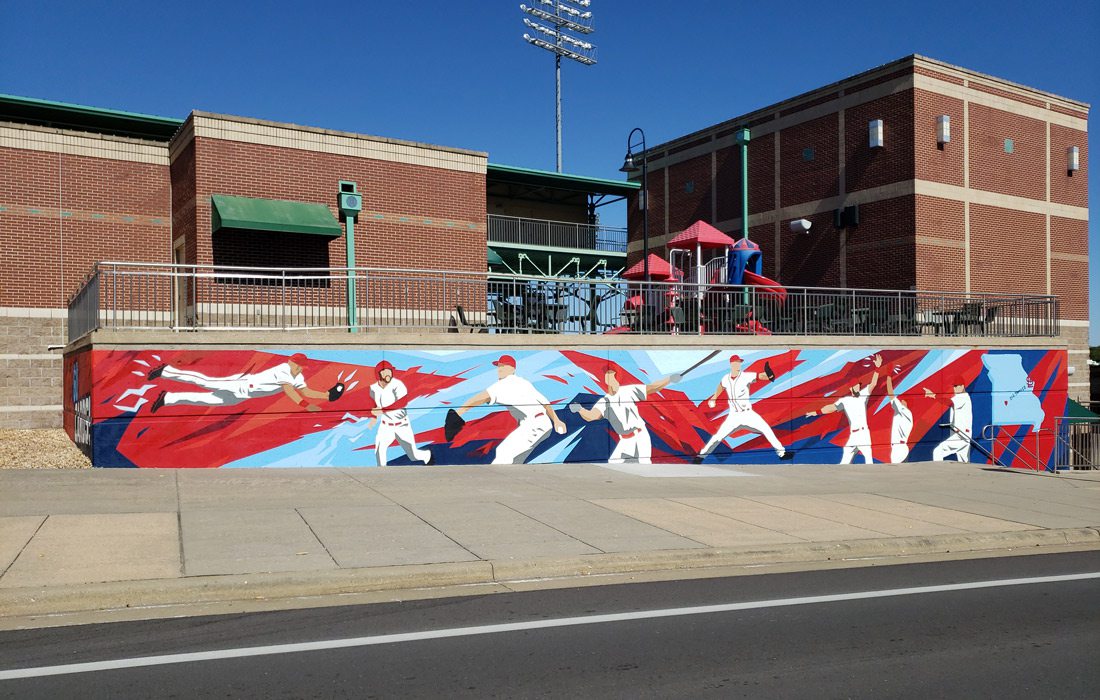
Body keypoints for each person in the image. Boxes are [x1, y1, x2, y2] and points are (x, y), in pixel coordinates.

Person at [456, 354, 567, 464]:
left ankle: (496, 481)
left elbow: (480, 398)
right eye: (499, 366)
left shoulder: (505, 384)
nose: (499, 369)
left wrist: (457, 413)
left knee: (504, 452)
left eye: (503, 366)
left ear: (512, 369)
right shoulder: (524, 382)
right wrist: (556, 420)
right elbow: (544, 402)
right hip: (542, 424)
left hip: (534, 425)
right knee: (516, 460)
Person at [147, 353, 328, 413]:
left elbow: (306, 391)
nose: (301, 369)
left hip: (242, 396)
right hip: (239, 385)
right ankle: (166, 371)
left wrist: (328, 395)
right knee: (204, 382)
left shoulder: (298, 377)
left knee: (205, 400)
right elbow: (289, 390)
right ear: (291, 362)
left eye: (302, 367)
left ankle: (168, 398)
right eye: (299, 365)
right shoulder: (283, 369)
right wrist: (305, 405)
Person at [569, 366, 679, 464]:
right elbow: (592, 416)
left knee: (644, 466)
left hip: (640, 436)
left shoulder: (628, 391)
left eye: (612, 374)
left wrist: (669, 379)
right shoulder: (605, 401)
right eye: (607, 375)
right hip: (625, 440)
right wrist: (580, 409)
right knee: (613, 464)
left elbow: (654, 387)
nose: (610, 378)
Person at [696, 354, 793, 463]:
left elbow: (760, 376)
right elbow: (721, 386)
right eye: (736, 362)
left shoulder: (746, 376)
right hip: (733, 416)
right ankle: (701, 456)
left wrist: (769, 375)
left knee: (766, 430)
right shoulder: (726, 378)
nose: (738, 364)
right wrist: (714, 397)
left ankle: (782, 453)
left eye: (740, 362)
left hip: (748, 414)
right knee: (717, 437)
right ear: (731, 364)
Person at [805, 354, 882, 464]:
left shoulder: (863, 395)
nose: (859, 387)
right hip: (853, 435)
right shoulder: (845, 401)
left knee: (869, 462)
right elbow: (831, 408)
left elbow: (873, 383)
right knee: (845, 461)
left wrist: (877, 368)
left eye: (859, 385)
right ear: (851, 388)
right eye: (856, 386)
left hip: (863, 434)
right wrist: (815, 412)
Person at [367, 360, 432, 466]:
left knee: (413, 455)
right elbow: (374, 404)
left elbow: (402, 402)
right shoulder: (374, 388)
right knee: (379, 451)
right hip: (386, 426)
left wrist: (382, 410)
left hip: (402, 425)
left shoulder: (397, 384)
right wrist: (373, 417)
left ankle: (427, 456)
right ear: (378, 373)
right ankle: (382, 475)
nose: (388, 373)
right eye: (385, 371)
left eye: (390, 371)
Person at [926, 378, 973, 462]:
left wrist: (934, 396)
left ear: (962, 386)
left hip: (961, 435)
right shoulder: (961, 397)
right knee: (964, 462)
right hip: (962, 434)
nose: (954, 389)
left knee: (938, 451)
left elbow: (949, 402)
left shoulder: (962, 397)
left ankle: (939, 473)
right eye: (953, 386)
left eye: (956, 386)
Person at [885, 372, 914, 463]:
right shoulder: (906, 414)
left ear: (905, 402)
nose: (900, 401)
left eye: (902, 400)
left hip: (899, 449)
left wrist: (888, 376)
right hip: (901, 447)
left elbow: (891, 394)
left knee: (895, 475)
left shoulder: (903, 410)